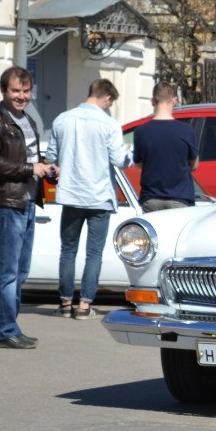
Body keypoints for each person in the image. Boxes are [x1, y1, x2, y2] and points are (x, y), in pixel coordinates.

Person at [0, 66, 57, 349]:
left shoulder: (26, 119)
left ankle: (11, 326)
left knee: (20, 271)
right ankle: (3, 330)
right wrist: (29, 168)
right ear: (4, 91)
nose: (21, 96)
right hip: (5, 203)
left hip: (27, 200)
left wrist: (45, 168)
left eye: (26, 91)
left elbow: (29, 157)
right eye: (15, 91)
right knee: (6, 270)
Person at [46, 79, 132, 319]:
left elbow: (52, 156)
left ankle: (64, 302)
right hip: (99, 196)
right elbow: (119, 160)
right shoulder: (109, 124)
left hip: (71, 194)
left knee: (68, 249)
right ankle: (84, 305)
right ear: (107, 98)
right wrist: (130, 155)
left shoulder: (62, 119)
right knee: (94, 253)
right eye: (110, 102)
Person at [134, 82, 199, 213]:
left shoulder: (141, 131)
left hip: (150, 198)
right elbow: (194, 164)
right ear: (174, 100)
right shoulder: (186, 131)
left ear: (152, 101)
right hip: (179, 197)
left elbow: (139, 164)